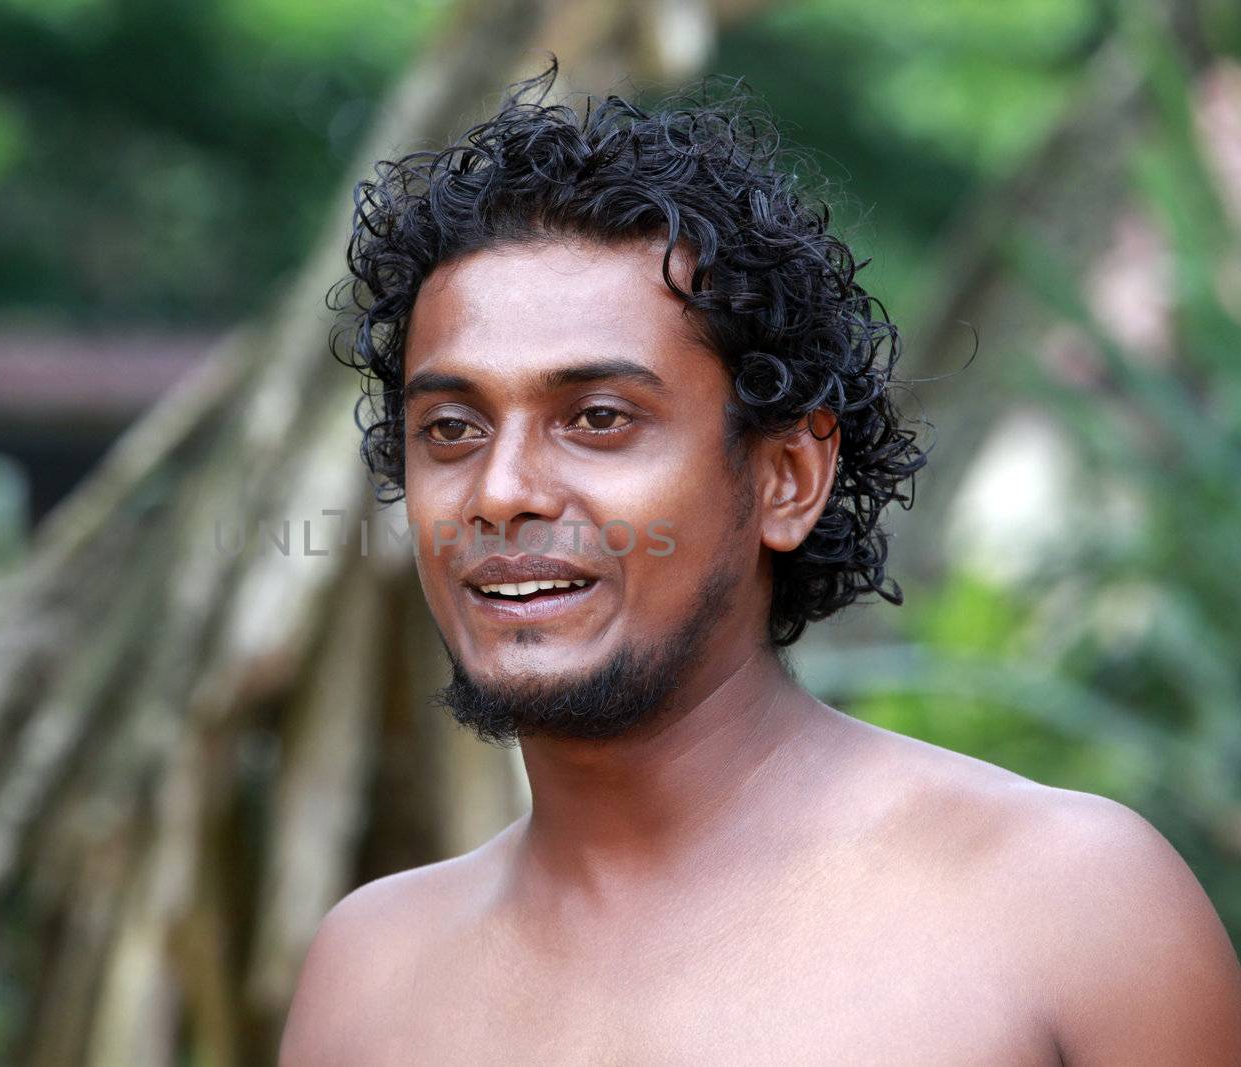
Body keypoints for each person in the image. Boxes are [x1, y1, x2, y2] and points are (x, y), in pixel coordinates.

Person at [280, 63, 1241, 1064]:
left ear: (786, 475)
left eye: (598, 419)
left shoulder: (1064, 908)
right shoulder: (373, 974)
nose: (498, 489)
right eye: (451, 427)